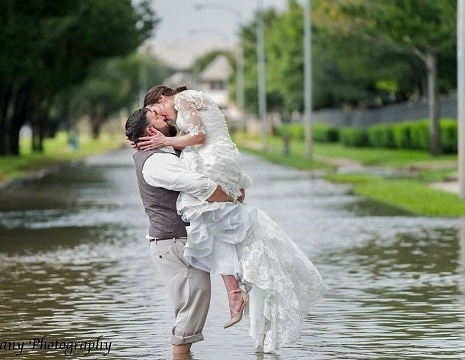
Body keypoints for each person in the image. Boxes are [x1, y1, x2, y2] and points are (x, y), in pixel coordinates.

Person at [136, 85, 327, 353]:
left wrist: (166, 141)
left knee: (212, 221)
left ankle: (235, 294)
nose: (164, 117)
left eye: (158, 110)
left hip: (211, 156)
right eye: (157, 116)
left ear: (162, 97)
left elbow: (200, 136)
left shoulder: (183, 101)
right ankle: (236, 292)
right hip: (208, 160)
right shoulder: (161, 150)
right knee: (215, 225)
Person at [125, 108, 242, 358]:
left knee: (193, 306)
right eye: (158, 117)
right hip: (174, 244)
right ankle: (179, 355)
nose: (166, 117)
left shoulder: (164, 153)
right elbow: (199, 185)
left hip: (179, 242)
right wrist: (232, 197)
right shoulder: (156, 161)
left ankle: (182, 354)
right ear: (150, 131)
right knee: (192, 307)